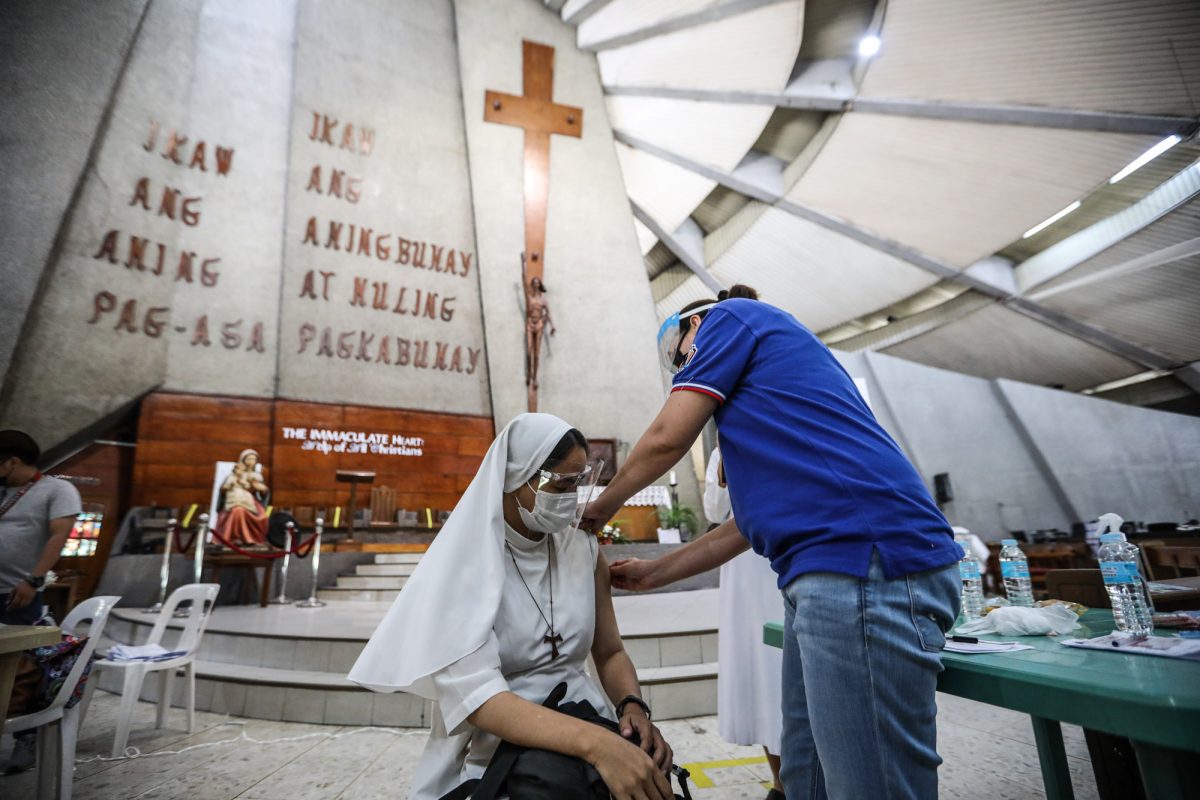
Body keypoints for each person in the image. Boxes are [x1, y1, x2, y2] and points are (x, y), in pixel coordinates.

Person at [583, 285, 962, 800]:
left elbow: (667, 437)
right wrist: (655, 573)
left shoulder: (731, 318)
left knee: (869, 783)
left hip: (863, 564)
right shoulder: (771, 414)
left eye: (682, 360)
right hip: (827, 577)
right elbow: (745, 525)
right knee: (805, 774)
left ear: (694, 326)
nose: (687, 371)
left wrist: (596, 510)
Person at [349, 413, 676, 800]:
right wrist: (600, 746)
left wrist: (632, 707)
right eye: (560, 484)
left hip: (585, 716)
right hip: (498, 743)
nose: (570, 497)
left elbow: (609, 652)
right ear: (513, 478)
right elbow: (481, 701)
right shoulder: (464, 564)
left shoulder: (582, 549)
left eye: (577, 482)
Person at [704, 447, 784, 800]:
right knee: (762, 679)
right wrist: (723, 467)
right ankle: (781, 784)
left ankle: (809, 779)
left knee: (783, 673)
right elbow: (714, 510)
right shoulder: (723, 448)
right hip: (743, 565)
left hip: (784, 556)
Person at [0, 429, 82, 773]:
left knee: (22, 671)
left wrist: (33, 580)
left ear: (12, 461)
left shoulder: (57, 489)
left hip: (18, 593)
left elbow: (59, 535)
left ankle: (25, 736)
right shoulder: (3, 491)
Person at [215, 448, 269, 545]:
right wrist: (228, 487)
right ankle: (236, 538)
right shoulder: (233, 475)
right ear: (243, 460)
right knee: (238, 511)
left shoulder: (256, 476)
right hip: (234, 500)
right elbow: (223, 489)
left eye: (254, 459)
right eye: (249, 459)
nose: (251, 462)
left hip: (251, 501)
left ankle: (251, 539)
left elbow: (263, 491)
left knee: (263, 517)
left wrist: (261, 489)